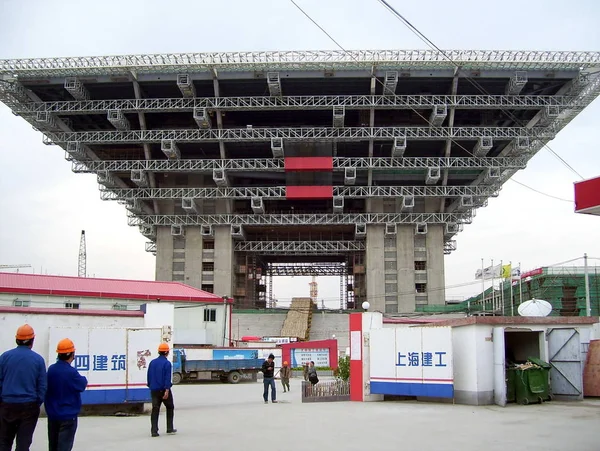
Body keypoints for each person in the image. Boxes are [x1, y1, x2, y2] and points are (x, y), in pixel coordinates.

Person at [0, 324, 47, 451]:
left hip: (7, 405)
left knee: (4, 442)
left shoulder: (5, 357)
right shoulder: (38, 360)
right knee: (23, 444)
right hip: (29, 406)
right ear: (32, 341)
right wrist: (36, 403)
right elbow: (42, 386)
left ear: (17, 339)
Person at [45, 338, 88, 451]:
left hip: (53, 415)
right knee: (64, 447)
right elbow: (82, 384)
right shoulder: (71, 372)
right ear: (71, 354)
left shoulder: (51, 370)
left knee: (53, 446)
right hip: (68, 416)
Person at [147, 343, 176, 438]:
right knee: (170, 407)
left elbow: (149, 376)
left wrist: (150, 385)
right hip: (163, 390)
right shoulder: (167, 364)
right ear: (167, 352)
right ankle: (169, 428)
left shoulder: (152, 362)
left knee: (155, 409)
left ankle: (154, 431)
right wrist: (167, 390)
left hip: (154, 390)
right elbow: (167, 378)